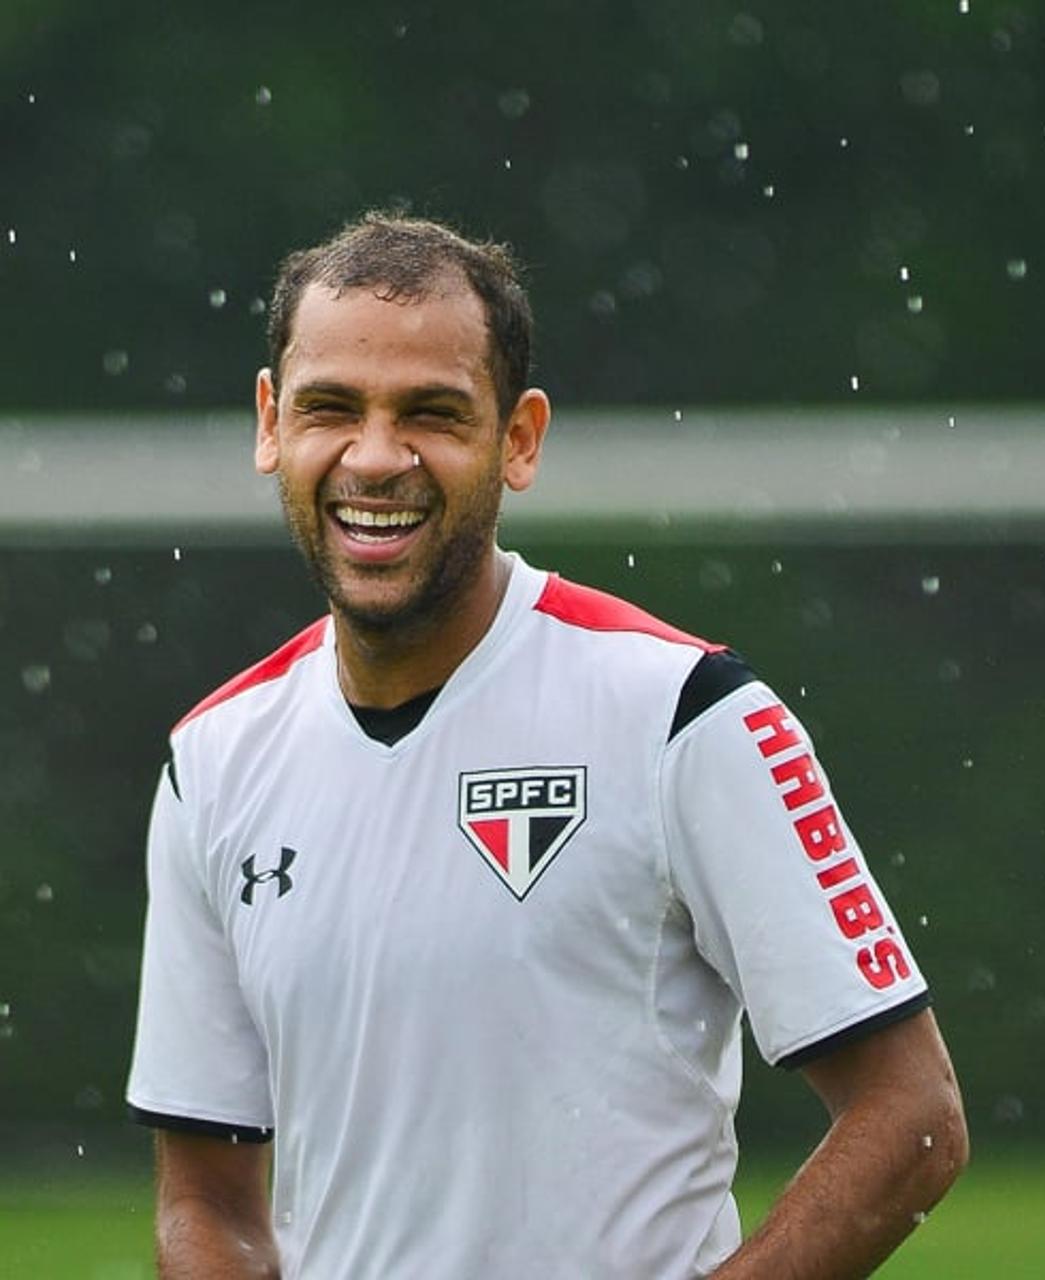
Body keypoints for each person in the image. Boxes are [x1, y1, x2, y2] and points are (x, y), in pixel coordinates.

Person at [126, 212, 967, 1278]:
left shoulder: (683, 710)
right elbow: (204, 1196)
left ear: (518, 438)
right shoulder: (211, 765)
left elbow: (913, 1116)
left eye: (432, 413)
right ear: (269, 422)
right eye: (331, 407)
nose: (375, 457)